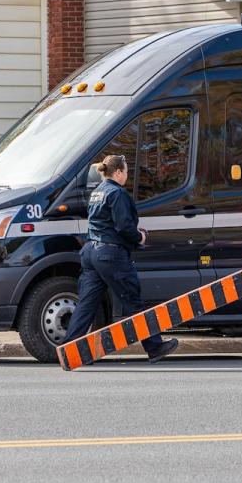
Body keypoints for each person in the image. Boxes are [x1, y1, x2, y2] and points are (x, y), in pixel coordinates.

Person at [63, 155, 179, 364]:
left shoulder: (97, 192)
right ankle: (155, 347)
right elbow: (124, 227)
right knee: (133, 302)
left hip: (91, 252)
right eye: (125, 171)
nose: (126, 175)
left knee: (86, 304)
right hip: (110, 254)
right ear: (117, 172)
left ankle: (70, 349)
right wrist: (140, 237)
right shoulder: (117, 193)